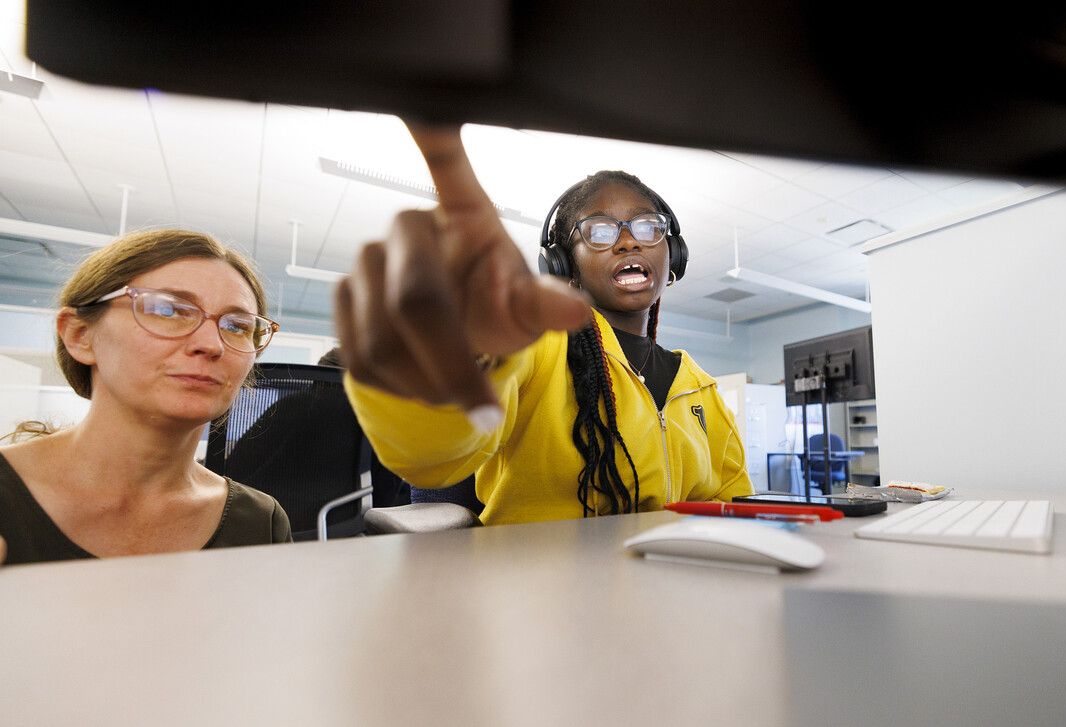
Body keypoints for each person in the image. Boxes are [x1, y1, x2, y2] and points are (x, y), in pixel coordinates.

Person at [334, 125, 752, 525]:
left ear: (672, 253)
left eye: (648, 226)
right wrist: (452, 357)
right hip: (538, 587)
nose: (630, 241)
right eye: (600, 232)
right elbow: (432, 457)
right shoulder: (537, 349)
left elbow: (733, 504)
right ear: (564, 266)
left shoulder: (703, 389)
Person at [0, 229, 292, 566]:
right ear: (81, 335)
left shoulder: (261, 523)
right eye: (168, 311)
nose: (212, 345)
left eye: (237, 326)